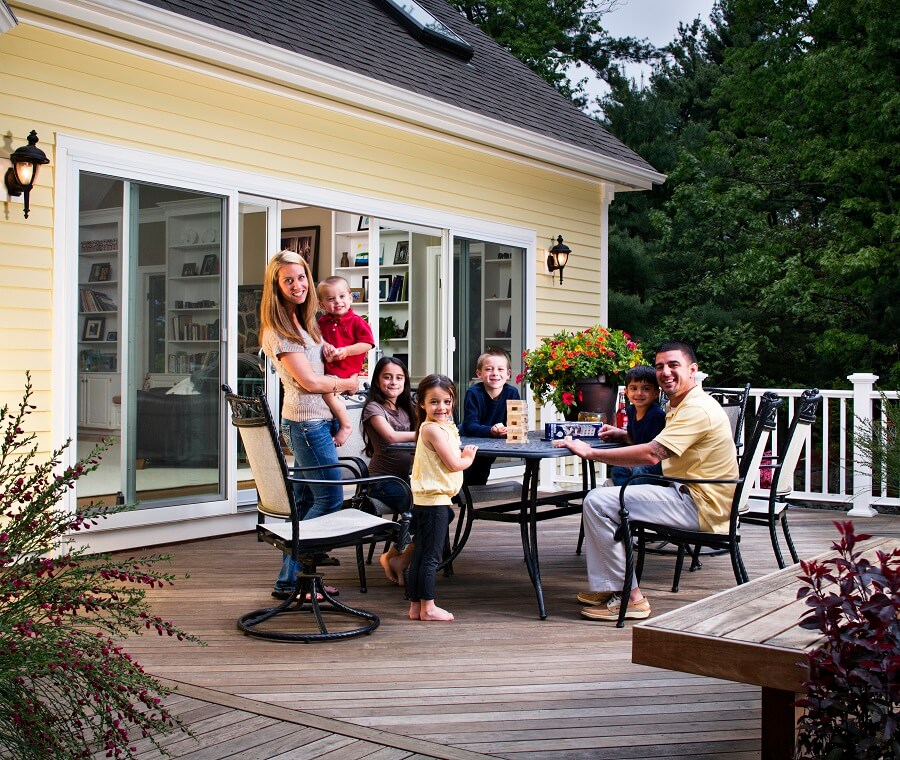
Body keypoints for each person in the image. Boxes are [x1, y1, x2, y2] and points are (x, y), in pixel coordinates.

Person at [554, 341, 738, 622]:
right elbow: (655, 443)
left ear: (693, 369)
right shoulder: (682, 403)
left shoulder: (696, 409)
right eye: (660, 366)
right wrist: (624, 436)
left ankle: (631, 598)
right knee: (605, 499)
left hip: (700, 504)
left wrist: (590, 452)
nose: (665, 372)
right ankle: (613, 587)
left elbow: (653, 454)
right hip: (686, 491)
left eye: (673, 365)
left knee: (598, 502)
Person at [259, 251, 359, 600]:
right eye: (289, 280)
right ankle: (300, 576)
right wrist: (346, 384)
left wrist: (328, 351)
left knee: (303, 503)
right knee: (330, 498)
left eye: (301, 277)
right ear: (277, 286)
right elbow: (310, 383)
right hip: (307, 423)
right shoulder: (281, 330)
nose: (298, 285)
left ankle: (290, 582)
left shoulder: (302, 322)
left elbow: (316, 363)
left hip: (310, 421)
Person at [408, 374, 478, 621]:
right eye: (434, 402)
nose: (442, 407)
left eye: (447, 401)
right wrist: (468, 458)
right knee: (430, 557)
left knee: (420, 554)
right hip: (434, 501)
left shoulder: (440, 427)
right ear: (422, 404)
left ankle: (415, 607)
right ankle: (428, 607)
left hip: (427, 501)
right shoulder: (432, 430)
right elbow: (453, 463)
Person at [361, 356, 417, 585]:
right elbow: (391, 437)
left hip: (407, 479)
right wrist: (429, 432)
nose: (393, 382)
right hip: (382, 482)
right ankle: (397, 556)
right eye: (387, 377)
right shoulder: (373, 409)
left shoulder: (406, 408)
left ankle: (396, 556)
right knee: (424, 510)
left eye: (399, 377)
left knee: (441, 510)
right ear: (377, 380)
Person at [317, 276, 375, 447]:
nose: (338, 302)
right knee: (328, 395)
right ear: (322, 305)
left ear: (351, 297)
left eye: (342, 296)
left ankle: (346, 425)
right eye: (331, 299)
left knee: (326, 392)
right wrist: (326, 345)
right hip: (330, 367)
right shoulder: (323, 322)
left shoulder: (356, 321)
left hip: (346, 368)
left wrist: (347, 351)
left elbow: (367, 344)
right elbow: (316, 339)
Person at [459, 348, 520, 485]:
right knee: (466, 479)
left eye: (500, 369)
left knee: (481, 477)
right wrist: (491, 430)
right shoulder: (473, 393)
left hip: (492, 443)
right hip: (468, 444)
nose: (495, 373)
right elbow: (469, 426)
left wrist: (508, 430)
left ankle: (474, 503)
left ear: (508, 374)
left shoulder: (512, 393)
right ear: (479, 373)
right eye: (489, 369)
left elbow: (516, 424)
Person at [606, 364, 666, 486]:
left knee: (640, 470)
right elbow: (634, 439)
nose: (639, 393)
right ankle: (624, 493)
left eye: (646, 388)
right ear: (626, 392)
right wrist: (621, 435)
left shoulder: (656, 415)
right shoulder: (631, 411)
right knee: (618, 468)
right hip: (639, 458)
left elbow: (652, 451)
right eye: (633, 388)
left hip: (655, 462)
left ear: (655, 393)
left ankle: (636, 494)